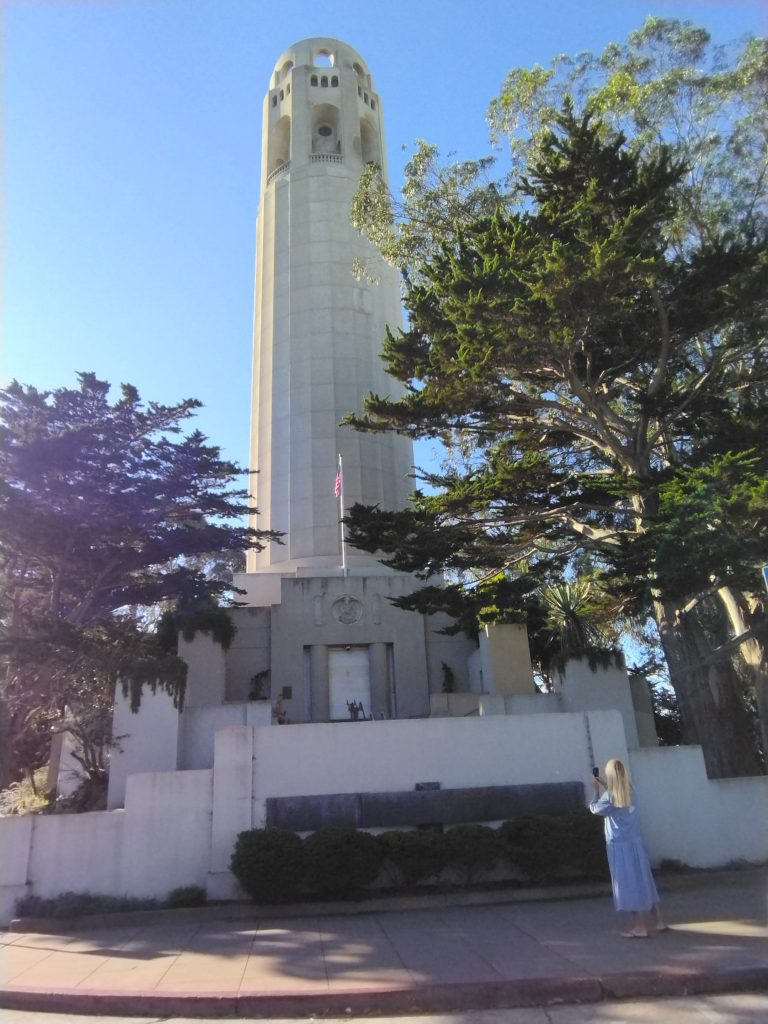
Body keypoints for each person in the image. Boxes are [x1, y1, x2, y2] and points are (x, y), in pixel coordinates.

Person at [590, 758, 668, 937]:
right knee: (644, 880)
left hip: (619, 845)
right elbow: (617, 796)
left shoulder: (610, 796)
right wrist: (604, 785)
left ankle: (639, 926)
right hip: (635, 843)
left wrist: (595, 791)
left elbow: (595, 809)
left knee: (627, 884)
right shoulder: (630, 789)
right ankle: (659, 921)